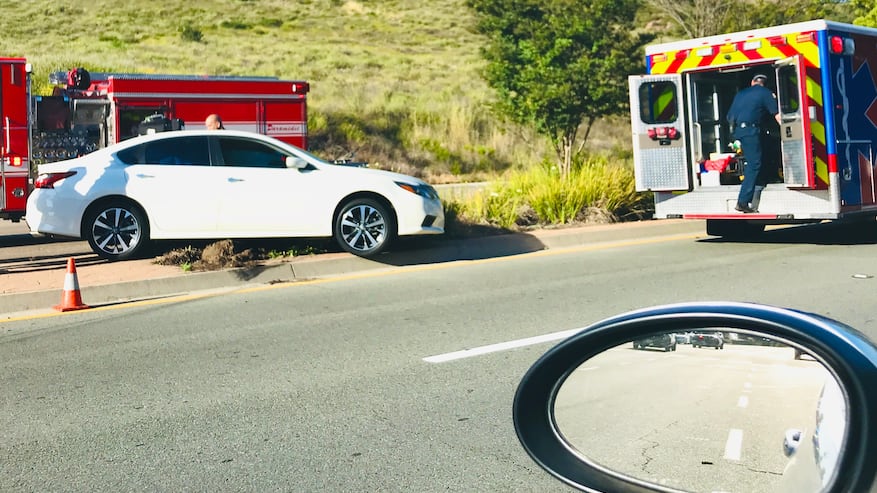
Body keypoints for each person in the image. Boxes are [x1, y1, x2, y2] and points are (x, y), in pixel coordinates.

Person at [726, 74, 781, 213]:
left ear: (752, 82)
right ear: (764, 83)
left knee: (755, 158)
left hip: (740, 131)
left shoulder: (741, 94)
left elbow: (729, 117)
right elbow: (776, 115)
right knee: (754, 163)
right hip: (751, 131)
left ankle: (759, 182)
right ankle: (743, 201)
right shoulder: (766, 93)